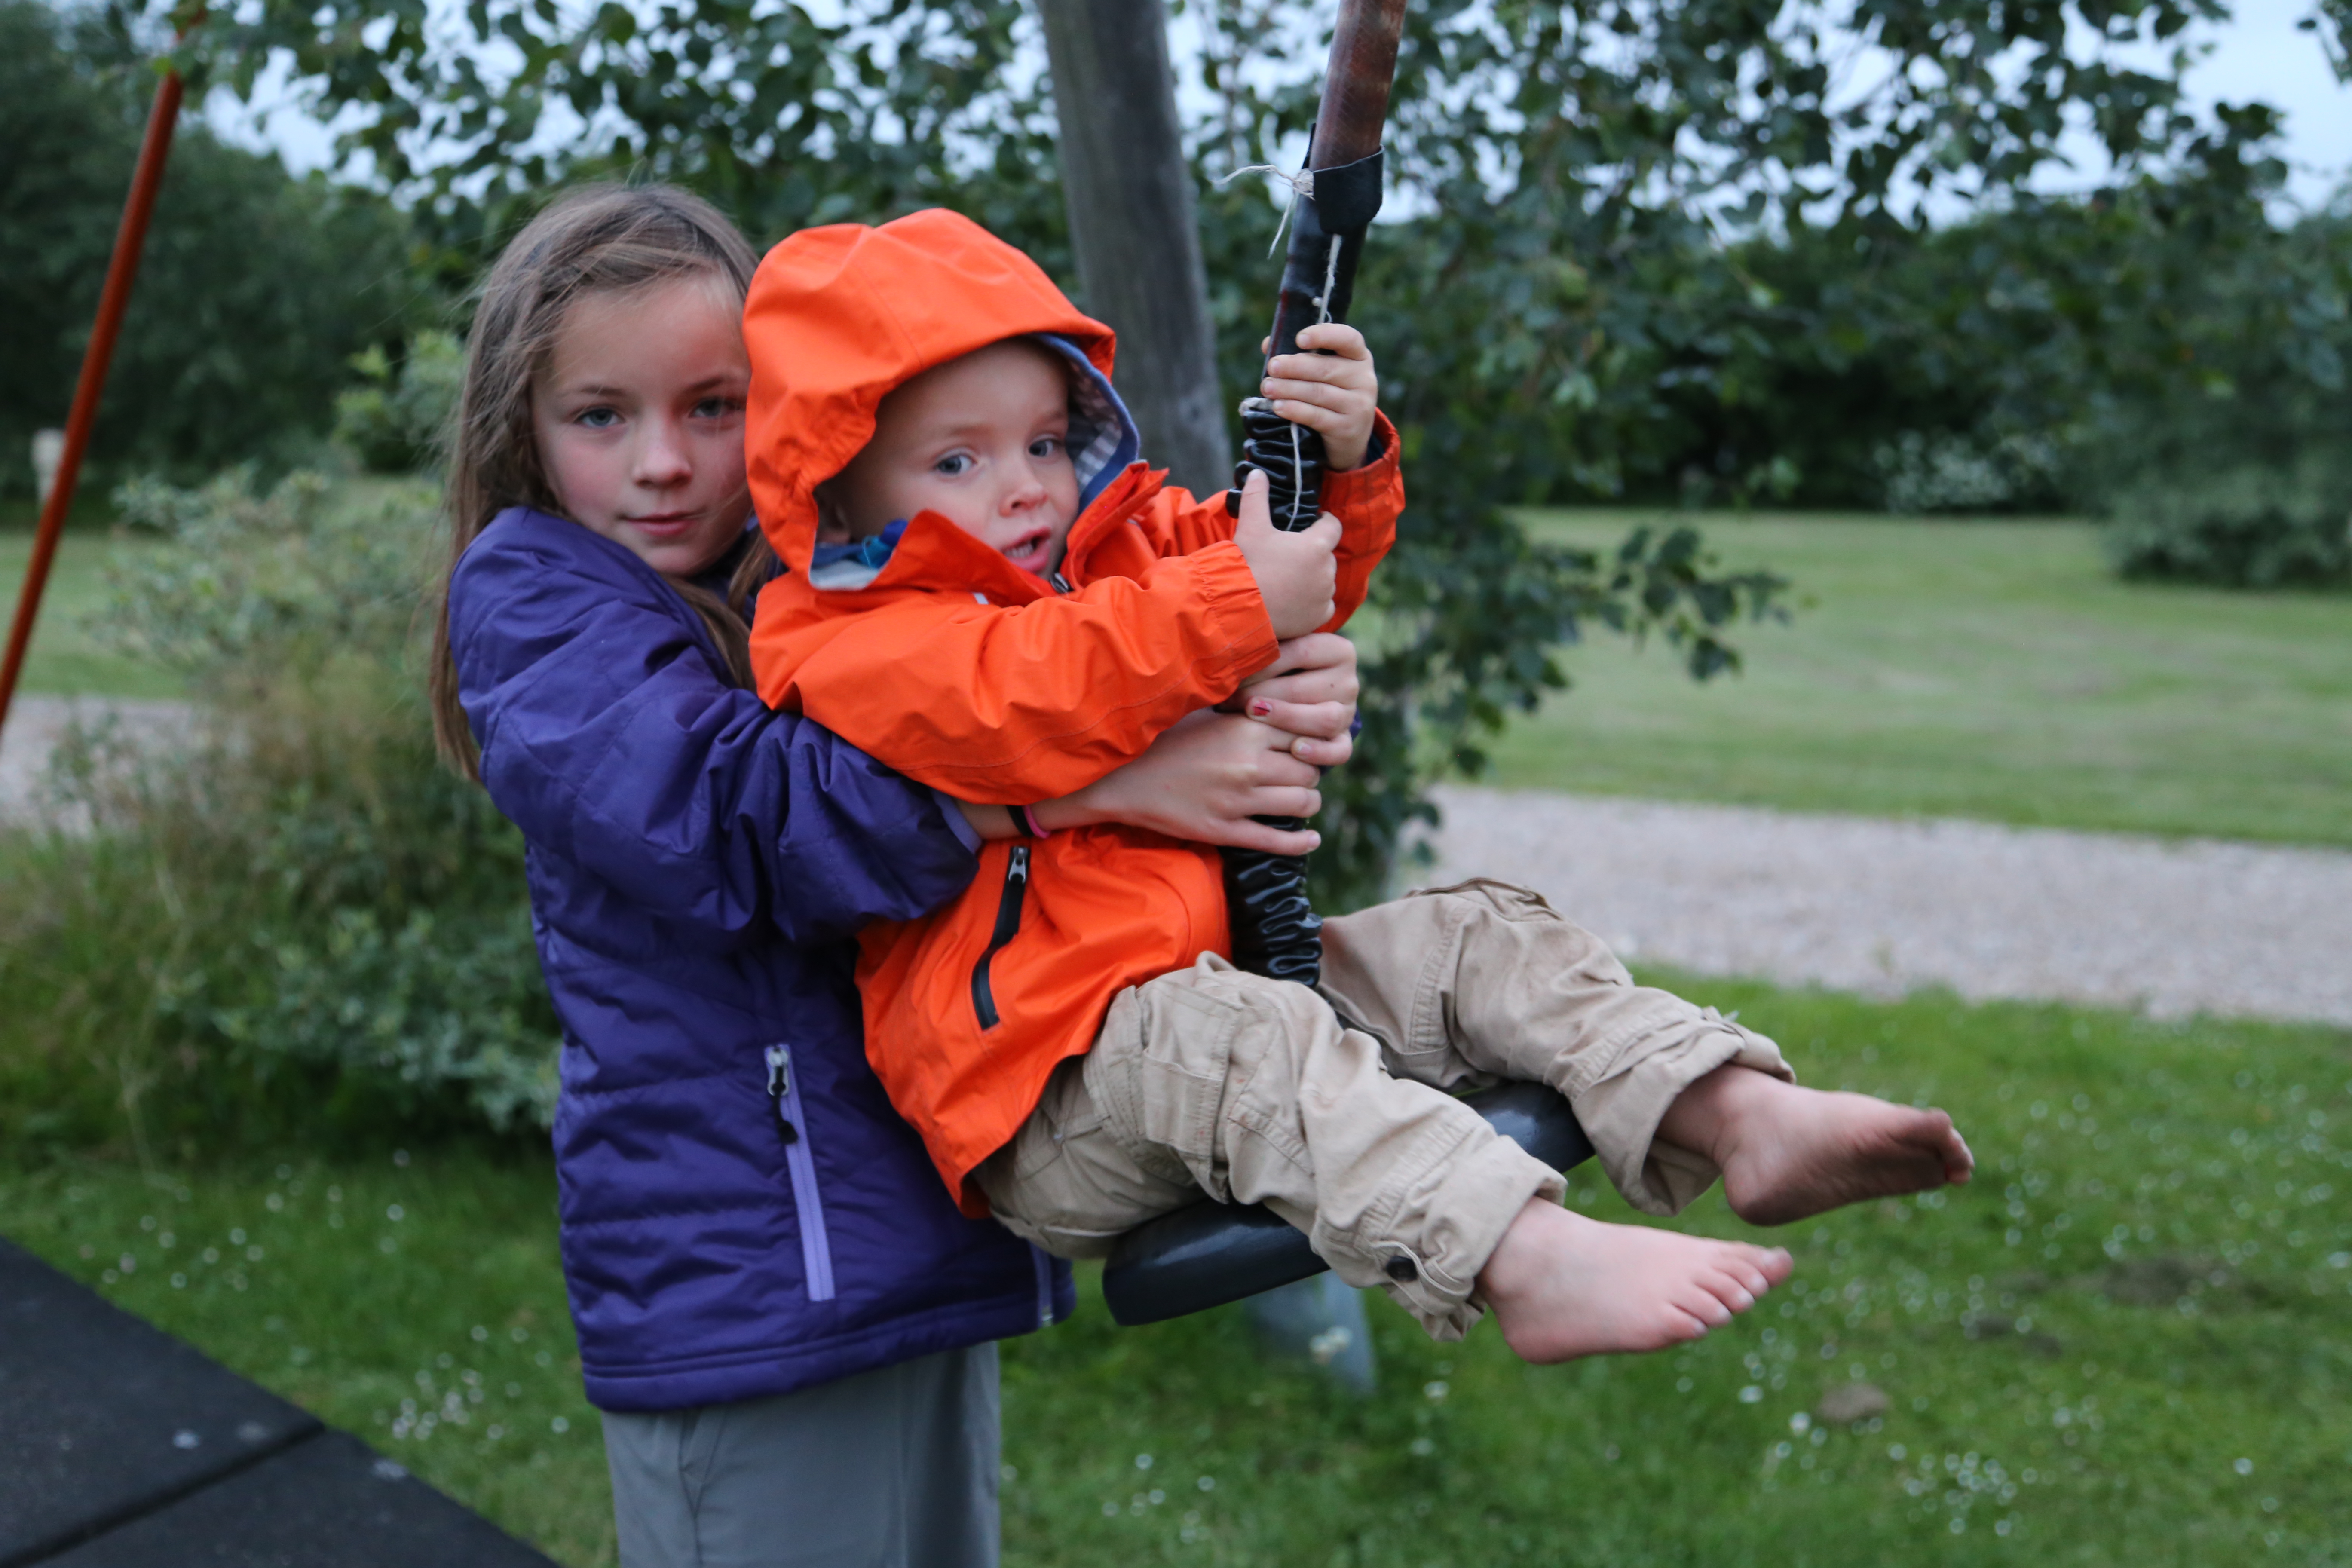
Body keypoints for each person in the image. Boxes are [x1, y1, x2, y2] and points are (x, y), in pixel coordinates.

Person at [741, 208, 1976, 1364]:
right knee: (1241, 1039)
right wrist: (1236, 599)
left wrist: (1338, 453)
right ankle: (1521, 1256)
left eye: (1047, 442)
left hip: (1223, 998)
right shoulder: (848, 636)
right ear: (841, 488)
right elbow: (1021, 694)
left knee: (1475, 939)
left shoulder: (1115, 551)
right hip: (1048, 1093)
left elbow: (1288, 574)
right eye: (959, 460)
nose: (1023, 486)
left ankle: (1730, 1109)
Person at [432, 184, 1361, 1568]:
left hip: (908, 1230)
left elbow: (1060, 655)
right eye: (601, 416)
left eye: (714, 406)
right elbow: (738, 817)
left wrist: (1281, 589)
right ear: (525, 431)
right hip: (748, 1272)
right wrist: (1103, 781)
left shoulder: (845, 578)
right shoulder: (537, 598)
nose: (667, 463)